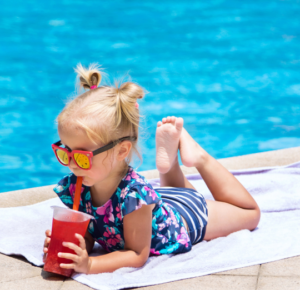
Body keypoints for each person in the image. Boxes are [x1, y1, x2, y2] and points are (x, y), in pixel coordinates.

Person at [43, 64, 261, 274]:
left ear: (121, 151)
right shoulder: (78, 186)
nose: (71, 164)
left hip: (185, 217)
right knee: (171, 197)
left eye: (82, 157)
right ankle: (170, 163)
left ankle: (199, 157)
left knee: (250, 214)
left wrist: (89, 265)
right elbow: (91, 231)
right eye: (65, 151)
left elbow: (137, 253)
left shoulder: (134, 197)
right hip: (161, 201)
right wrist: (76, 249)